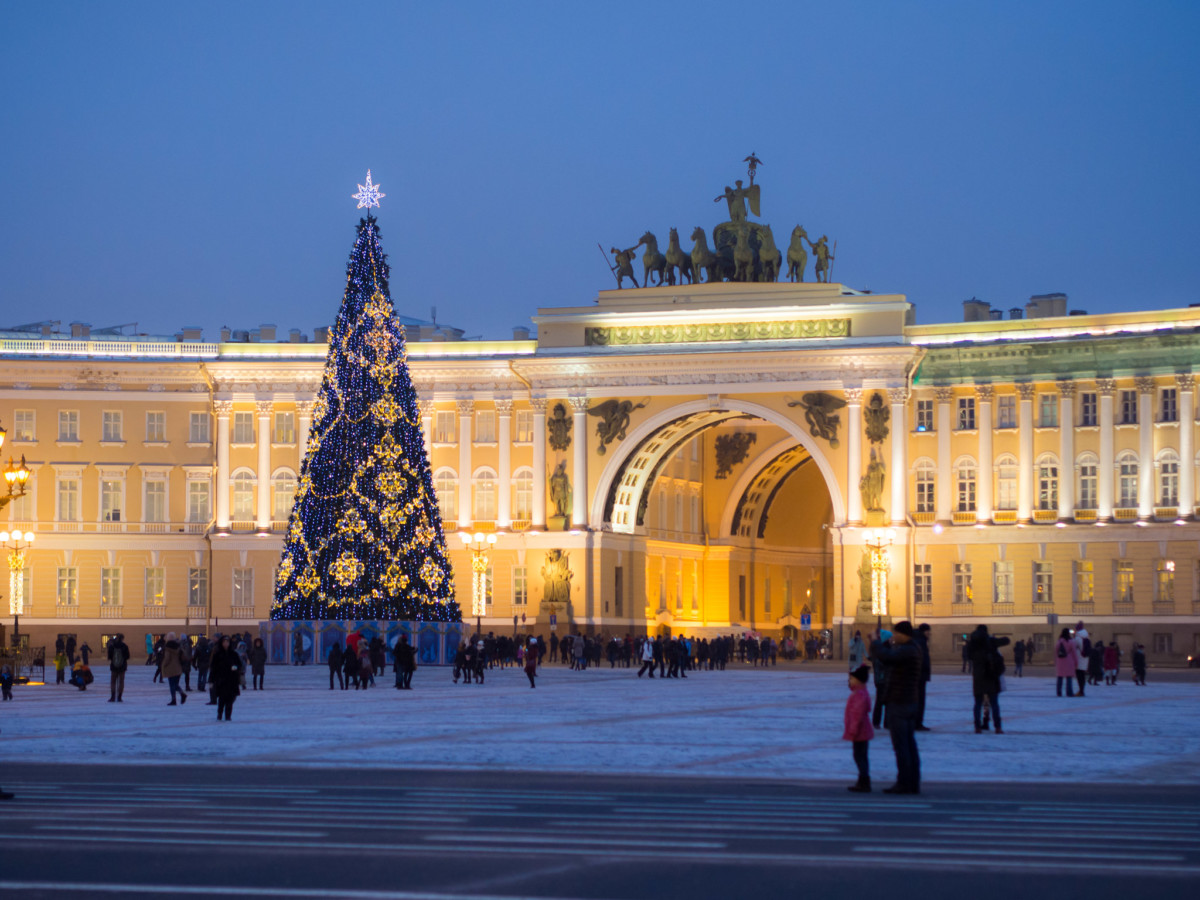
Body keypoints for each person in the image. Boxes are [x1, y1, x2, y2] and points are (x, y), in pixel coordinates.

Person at [870, 621, 921, 795]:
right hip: (908, 702)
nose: (894, 636)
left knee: (902, 746)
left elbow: (886, 657)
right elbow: (888, 657)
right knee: (909, 745)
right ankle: (912, 783)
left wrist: (876, 642)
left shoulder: (907, 651)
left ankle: (904, 783)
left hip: (900, 702)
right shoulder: (911, 649)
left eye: (896, 633)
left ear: (904, 634)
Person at [967, 624, 1009, 734]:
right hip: (991, 676)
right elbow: (1006, 640)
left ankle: (977, 727)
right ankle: (998, 727)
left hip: (978, 677)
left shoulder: (972, 644)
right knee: (994, 703)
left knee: (978, 704)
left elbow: (967, 656)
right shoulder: (990, 641)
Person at [843, 665, 875, 792]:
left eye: (851, 679)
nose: (849, 681)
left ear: (857, 680)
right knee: (861, 756)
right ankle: (863, 780)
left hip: (860, 732)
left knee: (859, 756)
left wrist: (853, 730)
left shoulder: (859, 695)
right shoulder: (861, 692)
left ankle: (864, 781)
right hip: (862, 731)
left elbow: (857, 715)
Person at [210, 635, 242, 721]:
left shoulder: (234, 654)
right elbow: (213, 668)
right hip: (221, 680)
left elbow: (239, 665)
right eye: (224, 642)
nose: (225, 643)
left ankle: (228, 715)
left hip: (232, 680)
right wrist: (211, 680)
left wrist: (235, 668)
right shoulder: (217, 655)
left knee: (230, 699)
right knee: (221, 699)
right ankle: (219, 714)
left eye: (227, 642)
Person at [161, 632, 188, 706]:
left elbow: (167, 658)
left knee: (172, 685)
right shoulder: (178, 646)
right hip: (178, 667)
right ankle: (182, 694)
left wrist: (163, 665)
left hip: (170, 668)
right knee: (175, 684)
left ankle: (174, 699)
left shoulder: (168, 647)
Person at [914, 623, 932, 731]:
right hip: (920, 675)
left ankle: (917, 722)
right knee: (919, 700)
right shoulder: (920, 641)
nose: (929, 633)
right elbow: (922, 659)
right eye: (927, 631)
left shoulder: (919, 640)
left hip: (919, 675)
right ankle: (918, 723)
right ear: (923, 632)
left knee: (918, 700)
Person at [1054, 627, 1079, 697]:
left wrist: (1056, 661)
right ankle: (1069, 692)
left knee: (1059, 677)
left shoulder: (1059, 641)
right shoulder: (1071, 641)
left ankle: (1059, 692)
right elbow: (1074, 652)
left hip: (1060, 661)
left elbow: (1056, 652)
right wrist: (1076, 662)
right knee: (1069, 677)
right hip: (1069, 660)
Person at [107, 632, 130, 702]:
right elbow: (128, 656)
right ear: (122, 638)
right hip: (122, 666)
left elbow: (109, 657)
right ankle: (119, 697)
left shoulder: (112, 646)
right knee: (121, 682)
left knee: (113, 682)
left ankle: (112, 697)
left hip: (114, 666)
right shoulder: (125, 646)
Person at [1073, 621, 1091, 697]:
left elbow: (1074, 647)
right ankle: (1082, 690)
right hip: (1085, 658)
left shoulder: (1078, 637)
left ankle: (1081, 691)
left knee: (1079, 676)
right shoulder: (1086, 636)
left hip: (1079, 658)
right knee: (1082, 676)